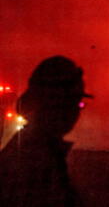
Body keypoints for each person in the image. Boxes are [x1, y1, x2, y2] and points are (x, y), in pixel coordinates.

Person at [0, 56, 92, 206]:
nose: (77, 110)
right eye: (77, 102)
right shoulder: (34, 160)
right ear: (58, 103)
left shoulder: (32, 149)